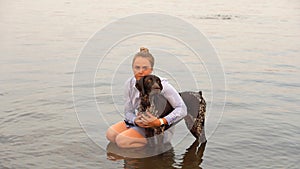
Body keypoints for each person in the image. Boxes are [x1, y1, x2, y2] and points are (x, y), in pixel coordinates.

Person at [106, 47, 187, 148]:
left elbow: (182, 109)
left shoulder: (161, 85)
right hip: (140, 121)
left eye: (145, 68)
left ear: (151, 70)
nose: (140, 71)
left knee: (122, 141)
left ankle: (148, 153)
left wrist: (160, 122)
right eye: (137, 67)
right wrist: (135, 120)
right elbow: (128, 112)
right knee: (111, 134)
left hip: (158, 130)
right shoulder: (129, 84)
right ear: (132, 68)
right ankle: (138, 156)